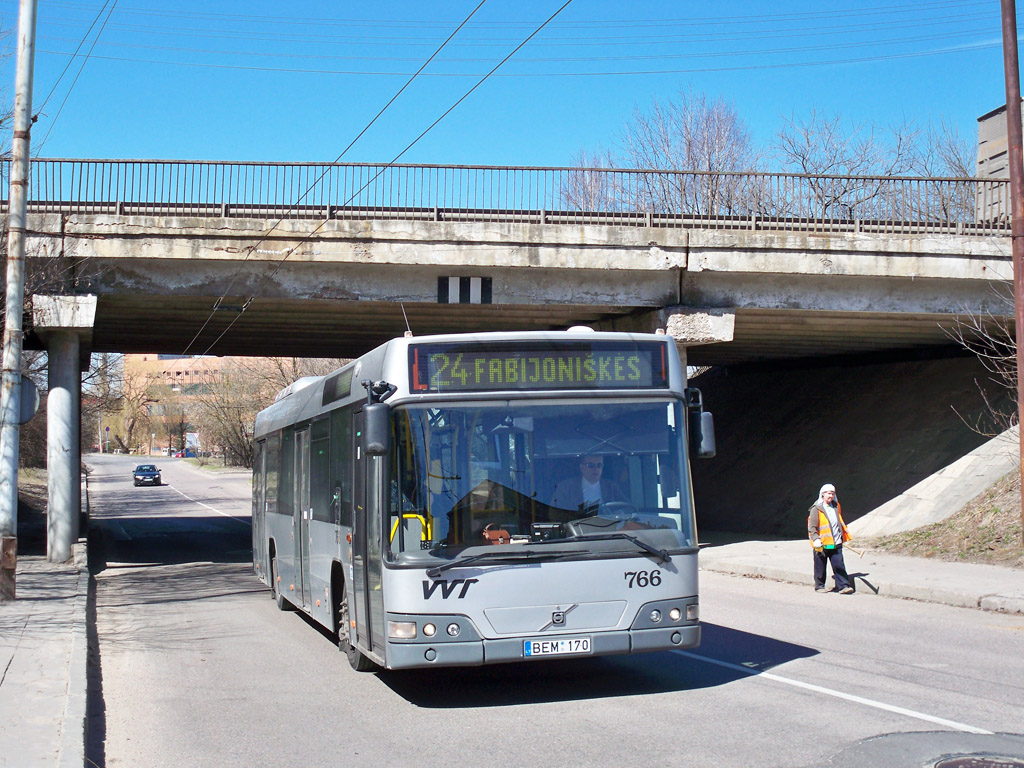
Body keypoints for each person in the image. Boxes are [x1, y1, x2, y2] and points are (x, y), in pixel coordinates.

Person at [808, 483, 854, 594]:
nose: (831, 496)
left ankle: (843, 586)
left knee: (839, 565)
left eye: (833, 494)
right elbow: (812, 526)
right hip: (822, 544)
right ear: (822, 494)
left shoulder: (836, 506)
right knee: (820, 567)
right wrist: (816, 539)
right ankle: (820, 586)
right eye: (829, 493)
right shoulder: (816, 509)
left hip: (836, 542)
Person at [551, 454, 626, 512]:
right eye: (591, 465)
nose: (596, 469)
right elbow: (555, 512)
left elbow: (626, 507)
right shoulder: (565, 488)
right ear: (582, 467)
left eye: (599, 465)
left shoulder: (611, 486)